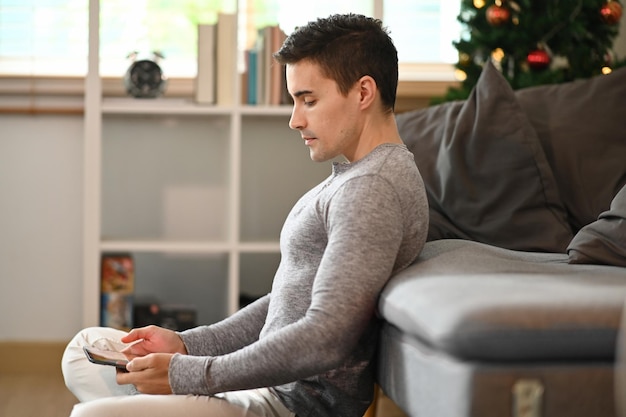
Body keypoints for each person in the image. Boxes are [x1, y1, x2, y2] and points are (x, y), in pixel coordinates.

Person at [62, 13, 428, 417]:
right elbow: (287, 299)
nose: (295, 119)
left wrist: (188, 374)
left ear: (363, 93)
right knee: (82, 351)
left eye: (308, 100)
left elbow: (327, 337)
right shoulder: (356, 175)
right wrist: (187, 345)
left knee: (90, 415)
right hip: (261, 385)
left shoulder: (373, 186)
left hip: (288, 405)